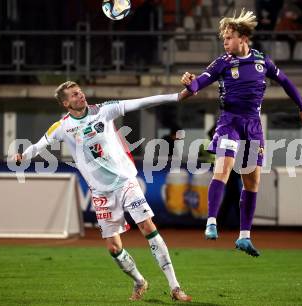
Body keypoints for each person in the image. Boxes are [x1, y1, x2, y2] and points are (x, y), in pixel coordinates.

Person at [13, 81, 192, 302]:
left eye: (80, 92)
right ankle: (139, 281)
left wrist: (177, 96)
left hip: (125, 181)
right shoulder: (62, 126)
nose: (81, 96)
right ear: (66, 102)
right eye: (75, 95)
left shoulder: (104, 110)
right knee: (114, 247)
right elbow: (40, 144)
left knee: (147, 227)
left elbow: (141, 102)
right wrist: (24, 156)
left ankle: (175, 287)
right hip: (101, 192)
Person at [180, 9, 302, 257]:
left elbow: (286, 82)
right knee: (223, 170)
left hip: (252, 126)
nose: (225, 42)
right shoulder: (222, 63)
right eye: (224, 39)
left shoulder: (262, 62)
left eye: (228, 38)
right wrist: (190, 83)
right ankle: (211, 221)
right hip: (229, 123)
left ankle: (244, 237)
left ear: (242, 38)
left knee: (252, 183)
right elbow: (200, 82)